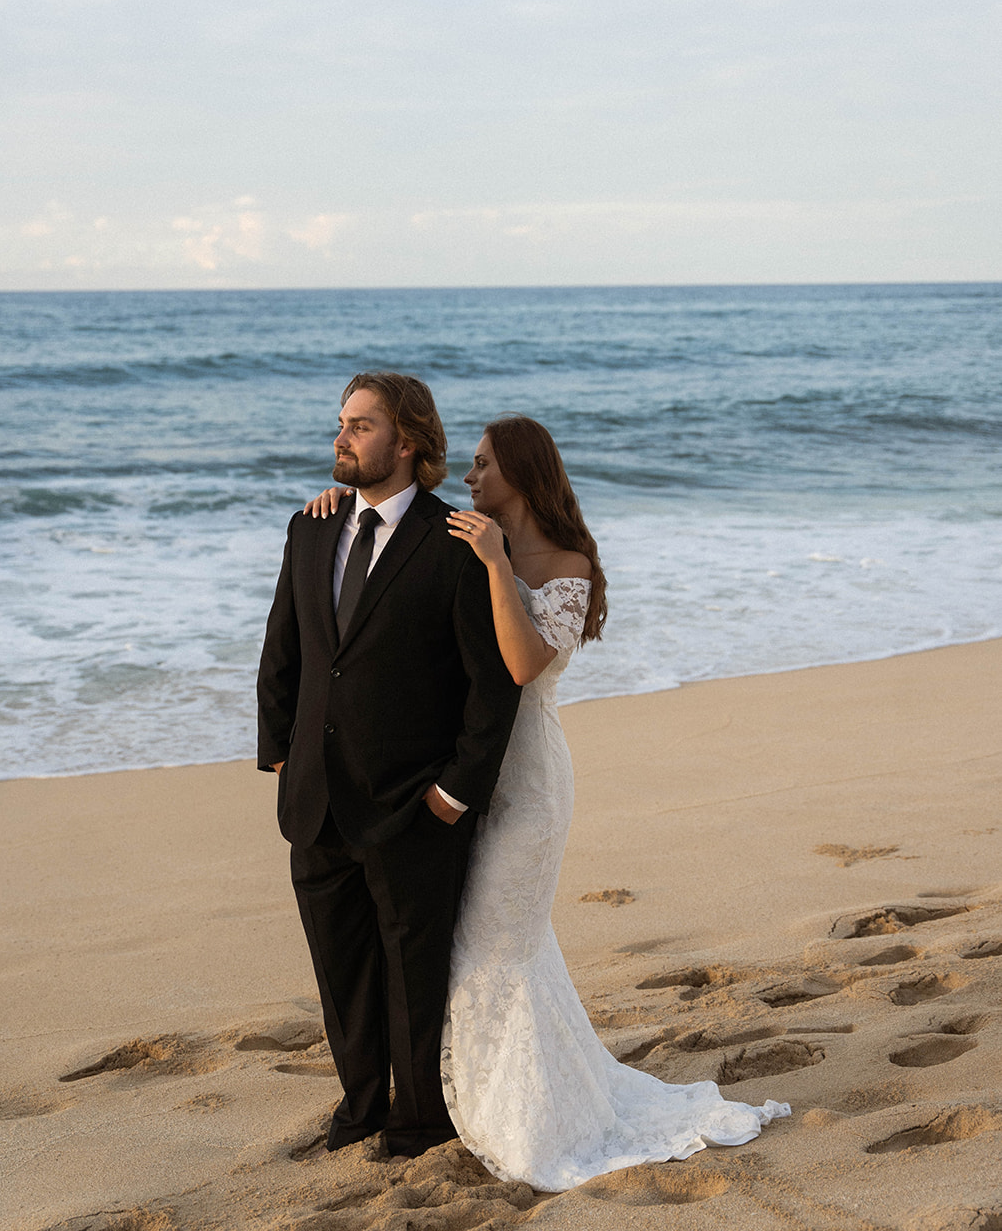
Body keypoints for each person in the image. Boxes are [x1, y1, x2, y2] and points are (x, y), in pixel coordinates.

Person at [308, 415, 790, 1191]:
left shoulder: (563, 562)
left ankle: (525, 1115)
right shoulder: (467, 539)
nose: (466, 478)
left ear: (521, 474)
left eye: (480, 464)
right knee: (472, 942)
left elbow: (527, 665)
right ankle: (468, 1095)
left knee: (499, 941)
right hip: (462, 770)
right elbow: (392, 553)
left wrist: (499, 568)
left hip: (527, 781)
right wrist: (338, 500)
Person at [256, 374, 521, 1159]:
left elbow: (492, 683)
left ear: (406, 442)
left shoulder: (456, 541)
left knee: (411, 971)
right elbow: (286, 650)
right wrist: (279, 753)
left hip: (412, 802)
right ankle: (361, 1107)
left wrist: (455, 790)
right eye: (341, 423)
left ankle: (418, 1120)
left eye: (361, 426)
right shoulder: (311, 529)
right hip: (315, 797)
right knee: (341, 970)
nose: (342, 438)